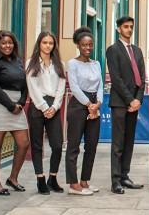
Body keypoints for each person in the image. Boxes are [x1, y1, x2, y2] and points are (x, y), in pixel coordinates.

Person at [0, 30, 30, 195]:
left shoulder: (17, 60)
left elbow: (25, 84)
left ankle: (13, 178)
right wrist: (10, 105)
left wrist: (20, 103)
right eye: (3, 43)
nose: (7, 46)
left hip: (16, 103)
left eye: (10, 43)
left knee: (24, 143)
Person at [106, 16, 146, 194]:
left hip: (134, 103)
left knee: (129, 141)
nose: (129, 29)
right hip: (120, 103)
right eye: (126, 27)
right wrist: (131, 100)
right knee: (118, 143)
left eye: (131, 26)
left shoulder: (137, 51)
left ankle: (125, 176)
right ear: (118, 29)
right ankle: (115, 181)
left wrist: (138, 100)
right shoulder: (113, 50)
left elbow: (142, 78)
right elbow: (116, 79)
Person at [26, 31, 66, 195]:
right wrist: (44, 107)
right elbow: (32, 88)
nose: (48, 46)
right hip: (37, 105)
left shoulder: (60, 64)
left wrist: (55, 107)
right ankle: (40, 178)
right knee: (37, 145)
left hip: (54, 106)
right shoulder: (32, 63)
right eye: (45, 43)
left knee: (57, 145)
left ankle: (53, 177)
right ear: (39, 44)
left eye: (50, 43)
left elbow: (61, 87)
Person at [65, 27, 103, 195]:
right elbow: (74, 87)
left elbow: (100, 85)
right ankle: (73, 184)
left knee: (92, 146)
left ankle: (85, 181)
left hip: (94, 105)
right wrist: (89, 104)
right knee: (74, 146)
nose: (88, 48)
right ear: (78, 46)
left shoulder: (96, 64)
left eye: (90, 45)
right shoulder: (73, 64)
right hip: (78, 106)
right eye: (84, 45)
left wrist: (98, 104)